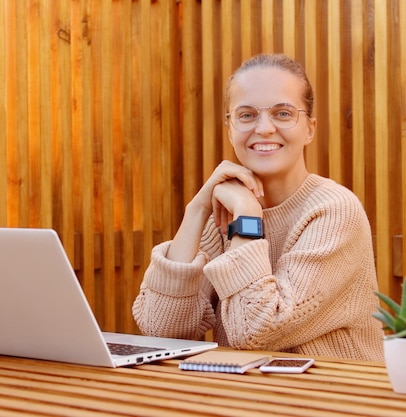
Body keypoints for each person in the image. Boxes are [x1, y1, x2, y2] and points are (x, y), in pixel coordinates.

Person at [132, 53, 384, 361]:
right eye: (247, 115)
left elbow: (254, 331)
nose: (264, 128)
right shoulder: (222, 210)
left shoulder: (334, 211)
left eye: (282, 113)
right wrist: (197, 209)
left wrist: (247, 220)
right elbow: (162, 328)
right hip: (245, 395)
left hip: (334, 398)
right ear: (230, 129)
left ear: (309, 129)